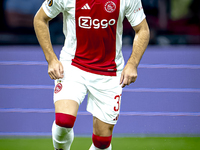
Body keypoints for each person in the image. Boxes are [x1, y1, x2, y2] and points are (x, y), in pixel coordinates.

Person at [33, 0, 149, 149]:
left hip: (109, 72)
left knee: (102, 142)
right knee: (64, 120)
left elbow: (142, 29)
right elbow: (40, 18)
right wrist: (51, 59)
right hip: (73, 65)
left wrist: (132, 64)